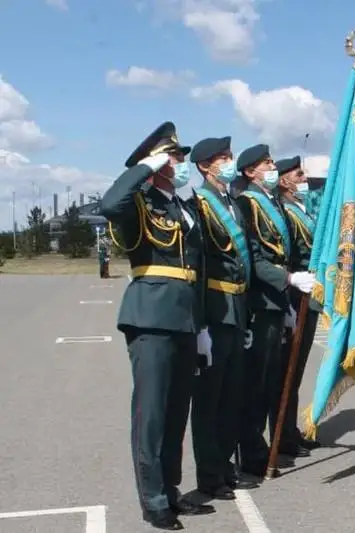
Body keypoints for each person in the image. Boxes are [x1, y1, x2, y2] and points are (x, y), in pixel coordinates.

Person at [99, 121, 215, 530]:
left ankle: (171, 490)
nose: (180, 162)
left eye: (180, 155)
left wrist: (201, 327)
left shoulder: (180, 205)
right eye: (174, 156)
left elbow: (195, 269)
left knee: (175, 414)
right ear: (156, 162)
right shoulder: (140, 201)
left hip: (184, 320)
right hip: (150, 317)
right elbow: (109, 204)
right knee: (151, 414)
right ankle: (152, 501)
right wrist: (142, 168)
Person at [233, 144, 316, 478]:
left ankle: (269, 444)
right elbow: (255, 256)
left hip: (279, 299)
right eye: (267, 163)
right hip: (263, 299)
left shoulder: (271, 204)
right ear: (252, 171)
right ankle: (252, 451)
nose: (271, 165)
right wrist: (289, 279)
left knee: (272, 379)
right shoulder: (248, 203)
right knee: (257, 383)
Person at [189, 136, 258, 500]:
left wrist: (245, 318)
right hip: (214, 310)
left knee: (232, 396)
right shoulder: (199, 204)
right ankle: (210, 475)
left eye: (230, 157)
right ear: (204, 166)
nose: (228, 163)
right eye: (222, 158)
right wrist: (199, 322)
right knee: (209, 399)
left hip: (236, 310)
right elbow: (198, 264)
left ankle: (225, 465)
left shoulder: (232, 202)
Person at [275, 155, 322, 455]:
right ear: (284, 181)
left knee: (297, 369)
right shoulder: (285, 212)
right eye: (299, 174)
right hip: (294, 296)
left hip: (309, 296)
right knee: (285, 372)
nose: (305, 179)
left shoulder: (302, 211)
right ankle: (281, 436)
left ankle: (289, 430)